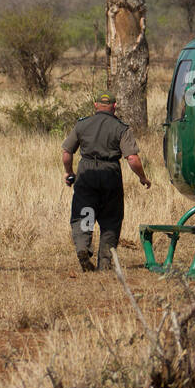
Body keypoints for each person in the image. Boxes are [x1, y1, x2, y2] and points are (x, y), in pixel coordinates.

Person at [60, 92, 151, 271]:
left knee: (85, 212)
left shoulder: (82, 124)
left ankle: (83, 247)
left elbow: (66, 152)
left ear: (95, 105)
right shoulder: (121, 127)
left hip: (86, 172)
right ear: (114, 106)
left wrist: (69, 172)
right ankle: (106, 263)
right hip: (110, 173)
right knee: (111, 218)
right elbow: (132, 158)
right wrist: (142, 177)